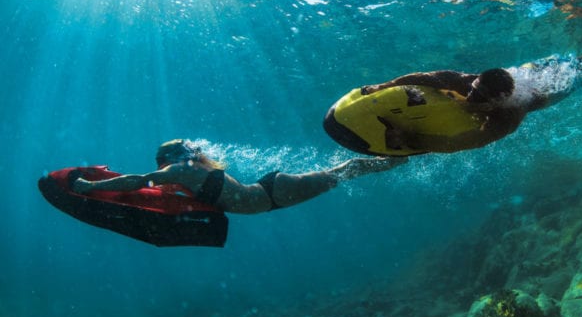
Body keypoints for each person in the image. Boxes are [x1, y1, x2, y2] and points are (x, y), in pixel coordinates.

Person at [358, 50, 582, 153]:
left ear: (497, 102)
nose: (471, 97)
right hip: (522, 72)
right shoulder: (467, 80)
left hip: (544, 93)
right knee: (554, 62)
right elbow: (423, 77)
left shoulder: (510, 115)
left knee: (574, 80)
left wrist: (411, 138)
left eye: (480, 98)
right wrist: (385, 86)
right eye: (474, 90)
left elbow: (465, 142)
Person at [72, 139, 406, 214]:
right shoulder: (189, 173)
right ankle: (389, 157)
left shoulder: (179, 171)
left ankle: (395, 156)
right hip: (271, 192)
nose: (157, 165)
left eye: (159, 160)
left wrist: (90, 185)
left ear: (170, 159)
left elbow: (135, 181)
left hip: (273, 194)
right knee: (340, 173)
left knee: (344, 173)